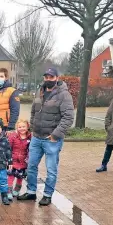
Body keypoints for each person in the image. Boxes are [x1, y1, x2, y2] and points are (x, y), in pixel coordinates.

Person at [18, 68, 74, 206]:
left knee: (51, 169)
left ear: (57, 78)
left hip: (51, 139)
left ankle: (48, 195)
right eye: (46, 77)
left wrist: (56, 134)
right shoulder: (40, 91)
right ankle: (31, 192)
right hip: (37, 137)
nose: (48, 79)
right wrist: (32, 126)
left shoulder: (64, 95)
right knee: (31, 166)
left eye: (51, 77)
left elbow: (68, 117)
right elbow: (33, 110)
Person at [7, 119, 32, 199]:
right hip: (13, 161)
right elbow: (8, 148)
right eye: (19, 127)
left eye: (24, 126)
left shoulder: (30, 136)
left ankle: (16, 190)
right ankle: (9, 192)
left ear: (27, 127)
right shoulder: (13, 136)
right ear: (17, 128)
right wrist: (8, 159)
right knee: (10, 177)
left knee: (20, 178)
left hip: (23, 162)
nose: (22, 128)